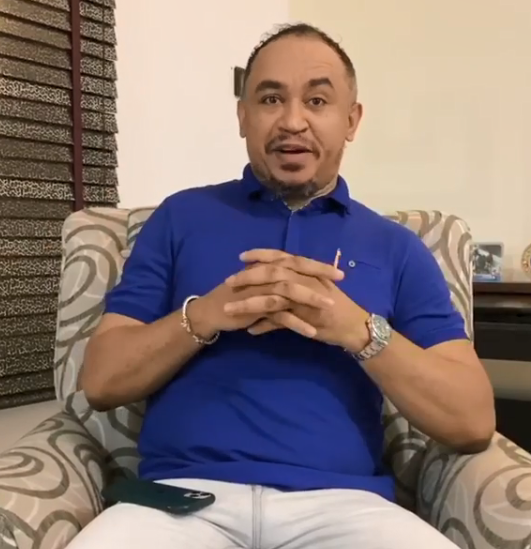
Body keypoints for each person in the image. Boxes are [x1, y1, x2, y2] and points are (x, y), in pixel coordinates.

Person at [70, 23, 495, 549]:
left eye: (317, 100)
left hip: (344, 505)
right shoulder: (180, 217)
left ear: (351, 120)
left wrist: (359, 331)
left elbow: (472, 420)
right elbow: (101, 382)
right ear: (243, 116)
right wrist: (206, 315)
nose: (293, 121)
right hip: (179, 500)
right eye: (271, 99)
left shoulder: (397, 247)